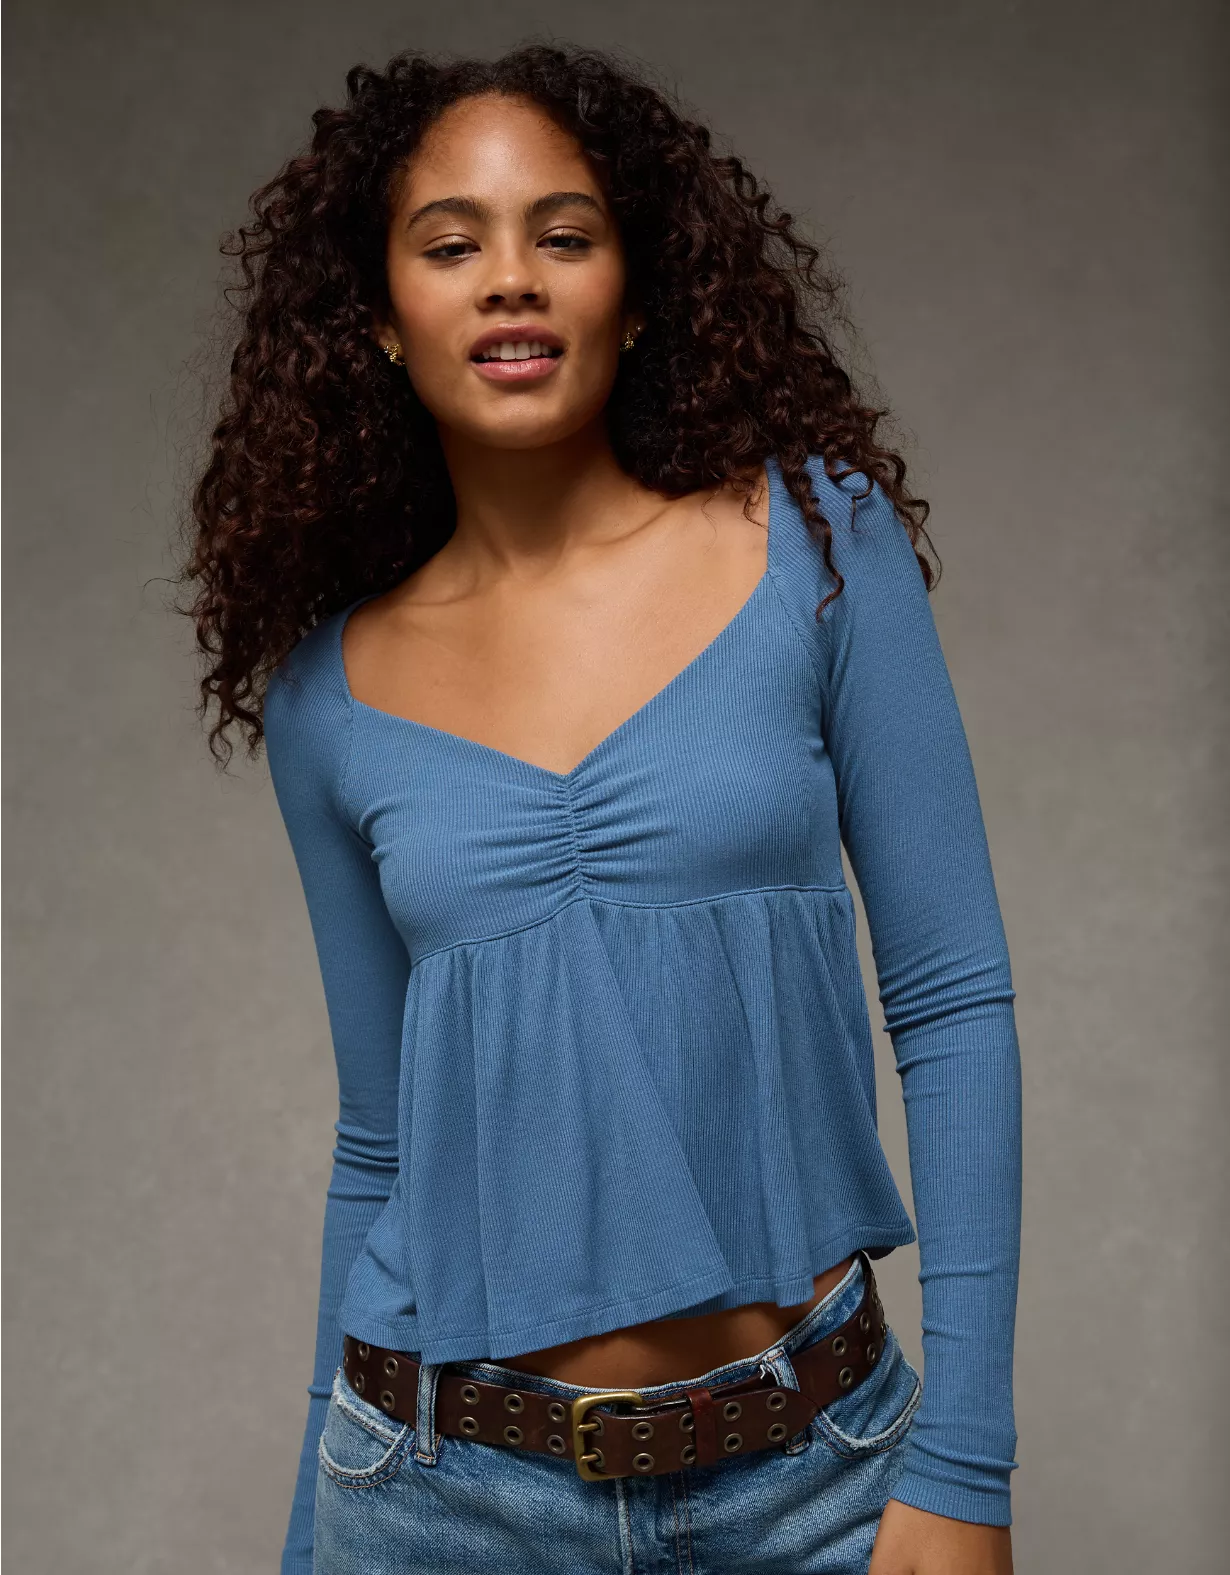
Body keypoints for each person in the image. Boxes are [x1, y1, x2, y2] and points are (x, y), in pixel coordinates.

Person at [179, 41, 1021, 1575]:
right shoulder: (325, 698)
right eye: (451, 245)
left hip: (810, 1485)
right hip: (435, 1493)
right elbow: (378, 1141)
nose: (510, 276)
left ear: (634, 296)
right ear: (378, 318)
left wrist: (961, 1463)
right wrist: (310, 1535)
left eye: (562, 234)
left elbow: (953, 1005)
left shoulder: (816, 545)